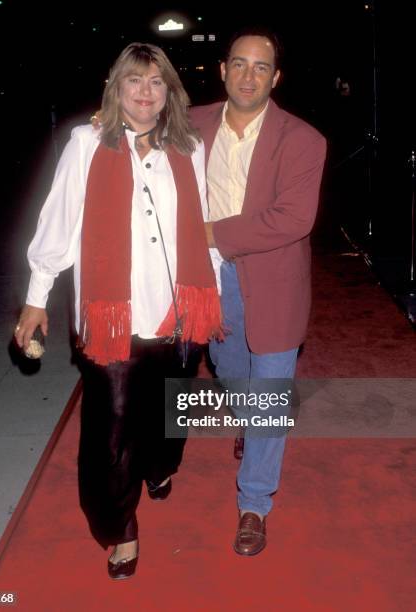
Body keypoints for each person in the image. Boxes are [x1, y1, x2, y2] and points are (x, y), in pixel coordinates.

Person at [15, 42, 221, 579]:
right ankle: (120, 528)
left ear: (169, 91)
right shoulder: (85, 143)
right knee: (112, 434)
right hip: (115, 321)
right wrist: (37, 298)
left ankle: (160, 465)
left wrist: (214, 292)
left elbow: (204, 227)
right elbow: (56, 224)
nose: (145, 92)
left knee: (171, 410)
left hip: (178, 312)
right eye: (135, 81)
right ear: (116, 87)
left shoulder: (190, 146)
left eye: (156, 82)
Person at [190, 26, 326, 556]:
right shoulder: (192, 123)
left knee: (268, 392)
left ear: (276, 78)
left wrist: (210, 232)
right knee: (228, 369)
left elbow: (292, 218)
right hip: (209, 279)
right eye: (239, 64)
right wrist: (101, 125)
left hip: (273, 281)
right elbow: (137, 137)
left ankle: (254, 504)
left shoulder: (302, 140)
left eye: (261, 67)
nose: (249, 76)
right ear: (222, 70)